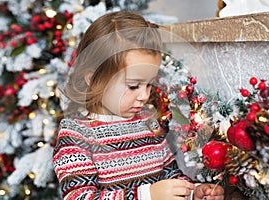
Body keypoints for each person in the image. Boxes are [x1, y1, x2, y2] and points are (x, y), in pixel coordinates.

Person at [53, 10, 224, 200]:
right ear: (93, 79)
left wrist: (192, 191)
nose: (144, 95)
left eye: (149, 84)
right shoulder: (76, 135)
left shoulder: (148, 123)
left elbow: (169, 175)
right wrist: (145, 195)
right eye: (133, 85)